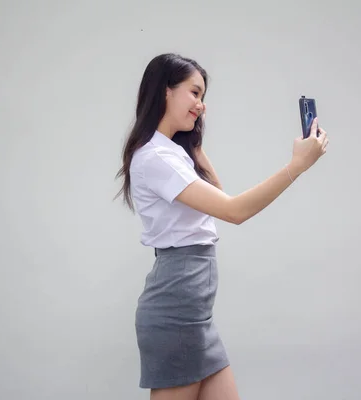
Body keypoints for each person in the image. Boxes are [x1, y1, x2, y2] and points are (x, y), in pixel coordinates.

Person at [115, 53, 328, 400]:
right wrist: (297, 166)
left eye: (203, 97)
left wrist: (195, 144)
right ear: (166, 91)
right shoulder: (155, 158)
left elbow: (217, 195)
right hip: (176, 307)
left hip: (194, 309)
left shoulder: (171, 152)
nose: (201, 104)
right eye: (194, 93)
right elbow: (234, 211)